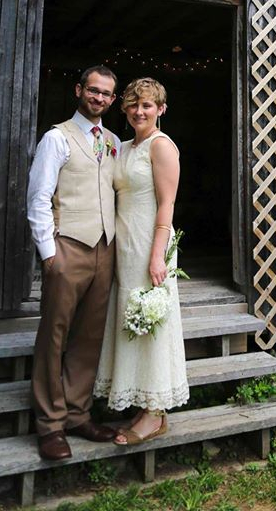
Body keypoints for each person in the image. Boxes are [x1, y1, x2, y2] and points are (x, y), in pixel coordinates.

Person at [27, 65, 121, 461]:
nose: (99, 98)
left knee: (89, 336)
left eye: (106, 94)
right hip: (68, 249)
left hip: (106, 249)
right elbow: (38, 198)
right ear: (79, 90)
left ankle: (78, 414)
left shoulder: (115, 140)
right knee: (55, 335)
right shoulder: (57, 138)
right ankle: (49, 424)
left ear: (112, 100)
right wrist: (50, 255)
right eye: (93, 90)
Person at [95, 77, 189, 444]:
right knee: (130, 320)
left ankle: (154, 415)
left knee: (152, 325)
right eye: (133, 104)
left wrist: (157, 256)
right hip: (126, 245)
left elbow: (166, 204)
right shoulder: (123, 146)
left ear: (161, 109)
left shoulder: (161, 146)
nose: (139, 111)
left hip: (151, 244)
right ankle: (143, 403)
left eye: (147, 105)